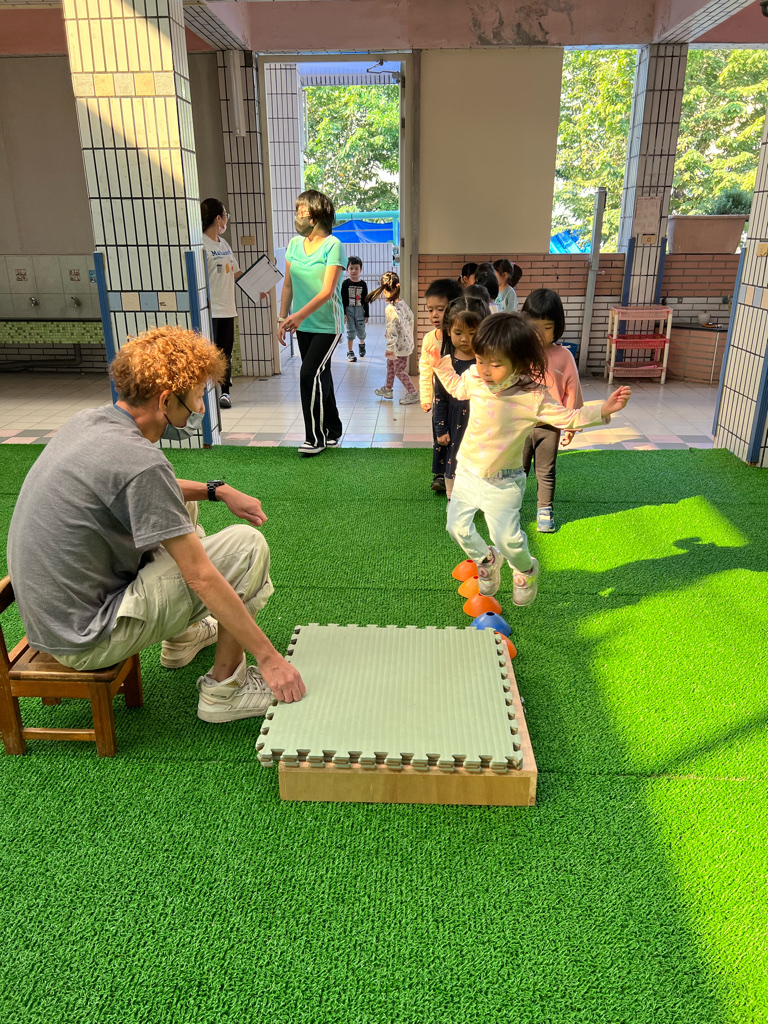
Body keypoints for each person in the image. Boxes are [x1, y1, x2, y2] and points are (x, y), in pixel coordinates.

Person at [6, 326, 306, 723]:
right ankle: (224, 691)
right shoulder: (141, 462)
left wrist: (215, 490)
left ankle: (182, 640)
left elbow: (148, 490)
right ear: (166, 400)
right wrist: (269, 658)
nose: (201, 408)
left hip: (55, 620)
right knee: (246, 550)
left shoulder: (90, 422)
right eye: (197, 396)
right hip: (86, 638)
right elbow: (199, 575)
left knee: (183, 507)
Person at [425, 313, 631, 606]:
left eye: (495, 364)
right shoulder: (475, 378)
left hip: (503, 482)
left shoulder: (532, 396)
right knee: (456, 528)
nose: (484, 370)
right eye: (480, 360)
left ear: (519, 364)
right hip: (468, 473)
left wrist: (603, 410)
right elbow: (457, 387)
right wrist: (439, 365)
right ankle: (487, 560)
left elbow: (569, 417)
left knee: (506, 539)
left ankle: (526, 569)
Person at [278, 190, 346, 457]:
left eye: (301, 211)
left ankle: (315, 437)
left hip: (327, 326)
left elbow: (327, 291)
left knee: (309, 374)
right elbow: (287, 285)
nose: (297, 216)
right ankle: (333, 429)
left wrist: (298, 316)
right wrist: (283, 318)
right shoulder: (294, 245)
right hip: (302, 325)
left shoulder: (333, 245)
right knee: (320, 373)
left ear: (315, 216)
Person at [521, 288, 581, 533]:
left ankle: (544, 509)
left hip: (549, 426)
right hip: (520, 425)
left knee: (545, 471)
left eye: (546, 327)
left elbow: (572, 390)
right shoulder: (518, 351)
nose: (539, 333)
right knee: (516, 471)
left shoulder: (564, 356)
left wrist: (571, 424)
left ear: (557, 327)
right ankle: (510, 508)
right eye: (533, 326)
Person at [432, 294, 490, 500]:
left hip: (480, 423)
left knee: (479, 463)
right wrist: (440, 429)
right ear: (448, 330)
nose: (465, 339)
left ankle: (477, 496)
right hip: (453, 422)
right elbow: (439, 399)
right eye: (458, 333)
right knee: (452, 461)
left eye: (472, 333)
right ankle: (452, 497)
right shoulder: (445, 363)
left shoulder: (488, 362)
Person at [418, 278, 463, 493]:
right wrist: (425, 397)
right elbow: (425, 369)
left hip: (461, 396)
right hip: (440, 398)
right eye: (430, 310)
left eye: (440, 309)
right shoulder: (430, 339)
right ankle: (439, 474)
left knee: (459, 436)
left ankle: (458, 473)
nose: (434, 315)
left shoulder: (461, 337)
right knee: (440, 435)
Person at [202, 198, 242, 410]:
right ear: (219, 218)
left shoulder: (223, 244)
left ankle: (225, 392)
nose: (227, 219)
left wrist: (258, 285)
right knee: (208, 354)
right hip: (210, 310)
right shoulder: (201, 244)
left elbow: (236, 273)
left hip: (227, 309)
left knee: (225, 354)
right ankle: (205, 393)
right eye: (226, 215)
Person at [372, 272, 419, 405]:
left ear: (384, 290)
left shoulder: (390, 309)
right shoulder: (402, 303)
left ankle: (413, 393)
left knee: (399, 370)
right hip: (406, 342)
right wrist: (406, 333)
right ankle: (388, 389)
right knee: (391, 365)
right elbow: (410, 318)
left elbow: (392, 331)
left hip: (398, 347)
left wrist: (390, 348)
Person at [341, 256, 369, 362]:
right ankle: (350, 351)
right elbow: (343, 299)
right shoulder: (345, 283)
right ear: (347, 269)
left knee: (361, 331)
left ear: (360, 269)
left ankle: (362, 344)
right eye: (351, 268)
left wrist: (367, 314)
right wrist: (344, 313)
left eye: (356, 268)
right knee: (351, 330)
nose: (354, 271)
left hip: (360, 310)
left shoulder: (363, 284)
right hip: (349, 310)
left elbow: (366, 300)